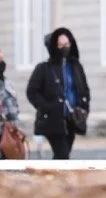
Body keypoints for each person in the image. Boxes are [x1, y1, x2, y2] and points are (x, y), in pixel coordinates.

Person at [26, 28, 91, 160]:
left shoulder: (75, 66)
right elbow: (32, 92)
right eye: (61, 45)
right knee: (62, 155)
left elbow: (84, 89)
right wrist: (48, 107)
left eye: (67, 44)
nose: (64, 48)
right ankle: (57, 179)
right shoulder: (43, 68)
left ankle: (52, 178)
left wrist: (84, 108)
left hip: (72, 119)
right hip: (53, 120)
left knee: (62, 155)